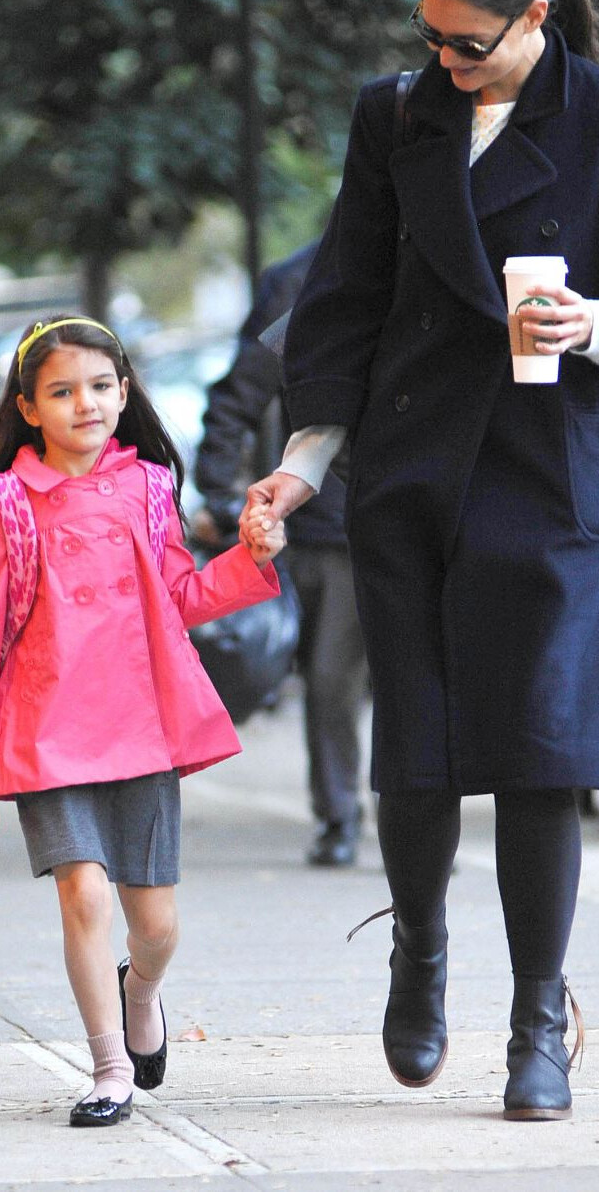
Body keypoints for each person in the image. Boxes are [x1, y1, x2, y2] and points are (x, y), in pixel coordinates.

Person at [240, 0, 599, 1121]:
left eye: (469, 45)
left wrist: (594, 322)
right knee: (424, 760)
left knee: (542, 760)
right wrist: (307, 458)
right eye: (431, 39)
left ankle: (538, 1022)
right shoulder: (396, 115)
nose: (444, 63)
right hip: (414, 484)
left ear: (535, 19)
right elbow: (346, 296)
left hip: (551, 483)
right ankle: (421, 954)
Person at [0, 315, 285, 1129]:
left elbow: (183, 598)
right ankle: (106, 1070)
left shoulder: (149, 487)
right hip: (42, 731)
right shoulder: (7, 504)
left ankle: (143, 990)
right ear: (28, 408)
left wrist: (249, 560)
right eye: (61, 391)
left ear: (125, 394)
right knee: (83, 894)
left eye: (100, 387)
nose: (84, 404)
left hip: (142, 729)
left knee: (156, 925)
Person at [192, 240, 371, 868]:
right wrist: (218, 493)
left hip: (420, 525)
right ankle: (340, 816)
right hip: (327, 529)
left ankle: (420, 820)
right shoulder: (310, 286)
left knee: (409, 679)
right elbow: (237, 395)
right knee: (330, 680)